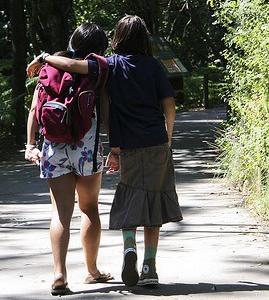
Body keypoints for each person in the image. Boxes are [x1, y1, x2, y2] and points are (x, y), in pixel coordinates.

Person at [38, 15, 183, 288]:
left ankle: (126, 248)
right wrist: (169, 138)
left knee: (127, 195)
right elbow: (169, 104)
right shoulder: (152, 66)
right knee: (152, 200)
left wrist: (44, 57)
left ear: (117, 39)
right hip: (152, 142)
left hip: (123, 145)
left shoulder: (110, 66)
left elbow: (69, 66)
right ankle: (149, 265)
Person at [25, 23, 113, 296]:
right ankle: (92, 271)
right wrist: (116, 145)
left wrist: (30, 145)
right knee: (89, 209)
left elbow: (35, 109)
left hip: (53, 145)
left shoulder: (49, 67)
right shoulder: (97, 69)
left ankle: (59, 274)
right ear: (99, 47)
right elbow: (107, 109)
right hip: (87, 143)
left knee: (61, 212)